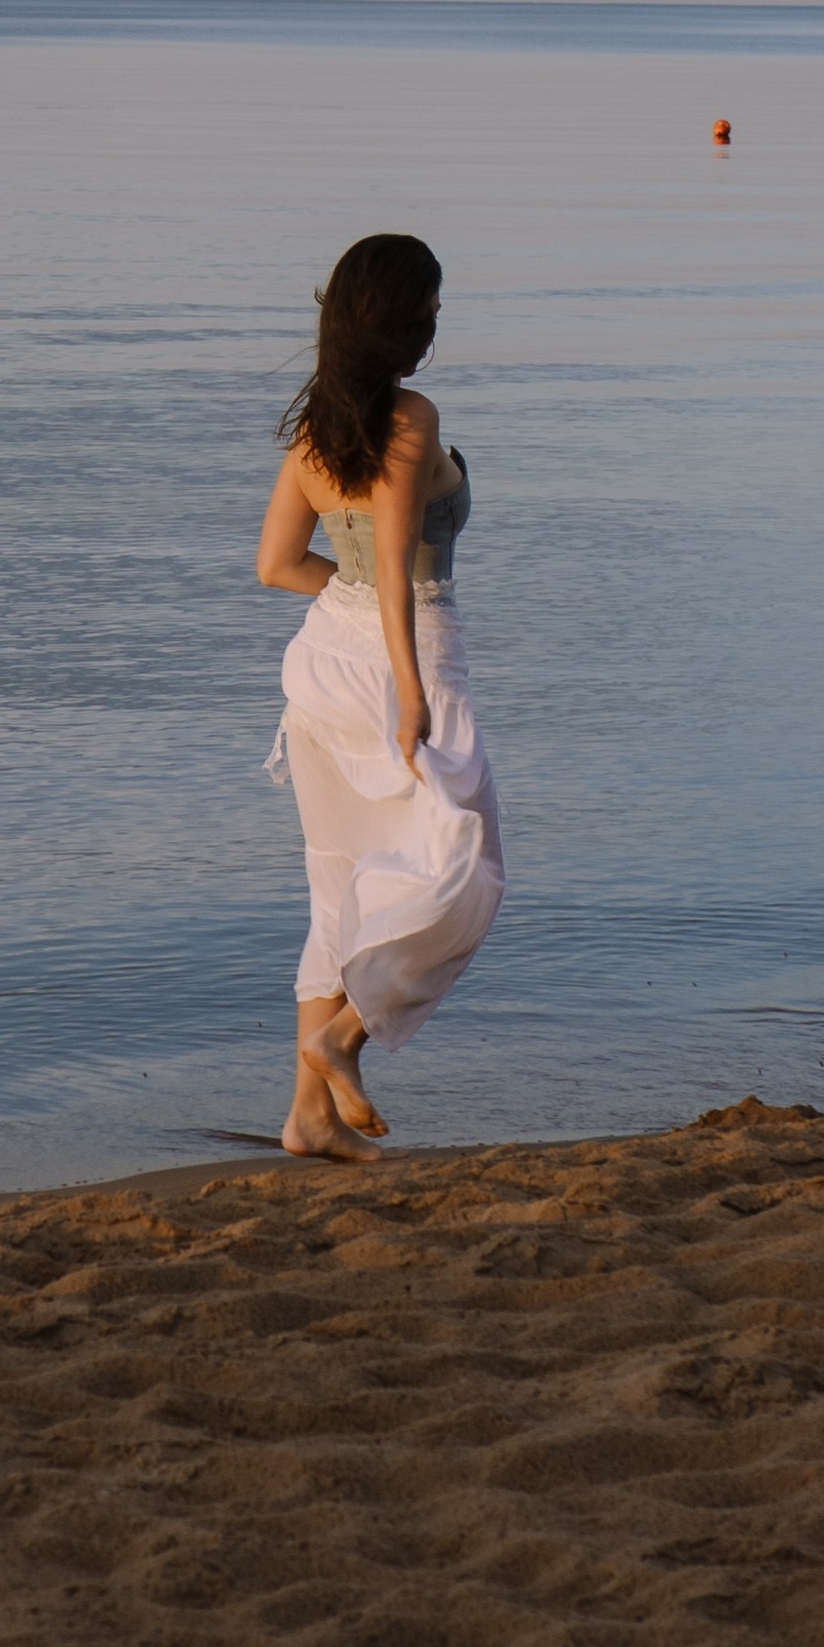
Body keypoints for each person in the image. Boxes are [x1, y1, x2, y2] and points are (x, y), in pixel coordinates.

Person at [256, 232, 504, 1163]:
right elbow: (395, 564)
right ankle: (344, 1036)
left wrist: (351, 604)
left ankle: (309, 1118)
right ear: (403, 323)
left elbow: (277, 566)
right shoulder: (411, 421)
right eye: (431, 308)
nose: (437, 324)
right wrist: (407, 690)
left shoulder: (314, 439)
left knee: (341, 895)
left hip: (322, 667)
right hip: (411, 660)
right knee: (467, 870)